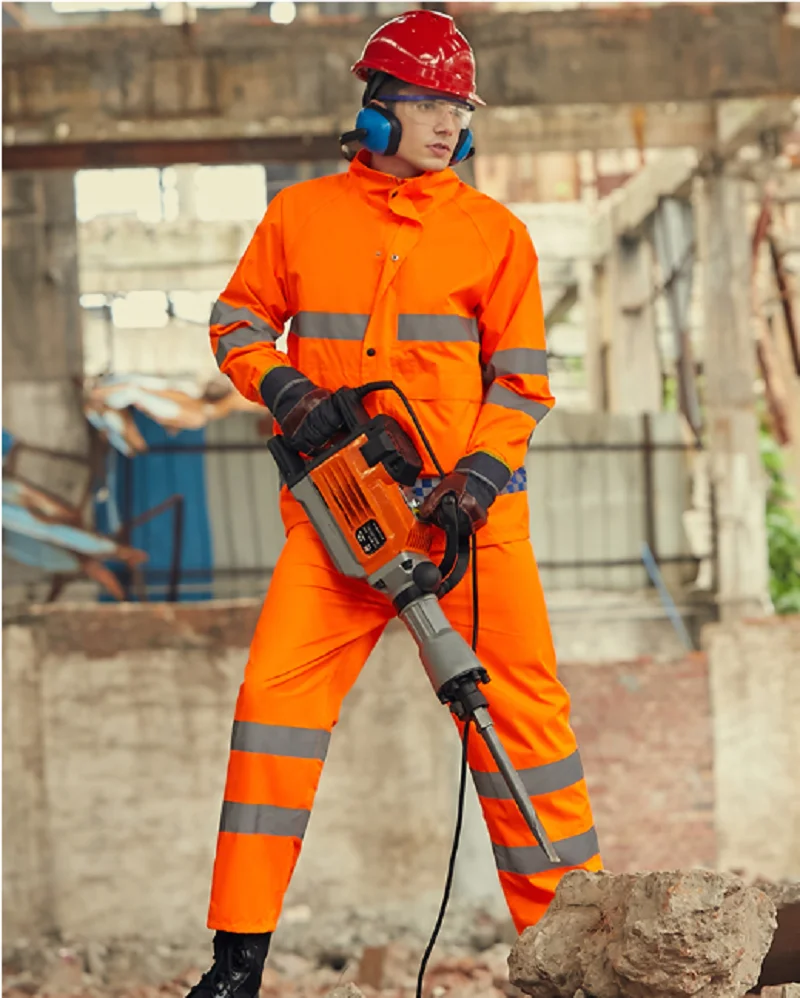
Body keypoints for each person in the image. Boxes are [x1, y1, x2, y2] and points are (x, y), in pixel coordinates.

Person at [190, 10, 602, 998]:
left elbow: (522, 380)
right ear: (373, 109)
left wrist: (474, 476)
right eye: (421, 101)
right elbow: (236, 319)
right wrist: (279, 383)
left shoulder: (493, 235)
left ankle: (575, 950)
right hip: (339, 523)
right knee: (270, 708)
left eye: (455, 104)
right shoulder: (300, 216)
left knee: (521, 722)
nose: (442, 121)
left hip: (470, 531)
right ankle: (236, 960)